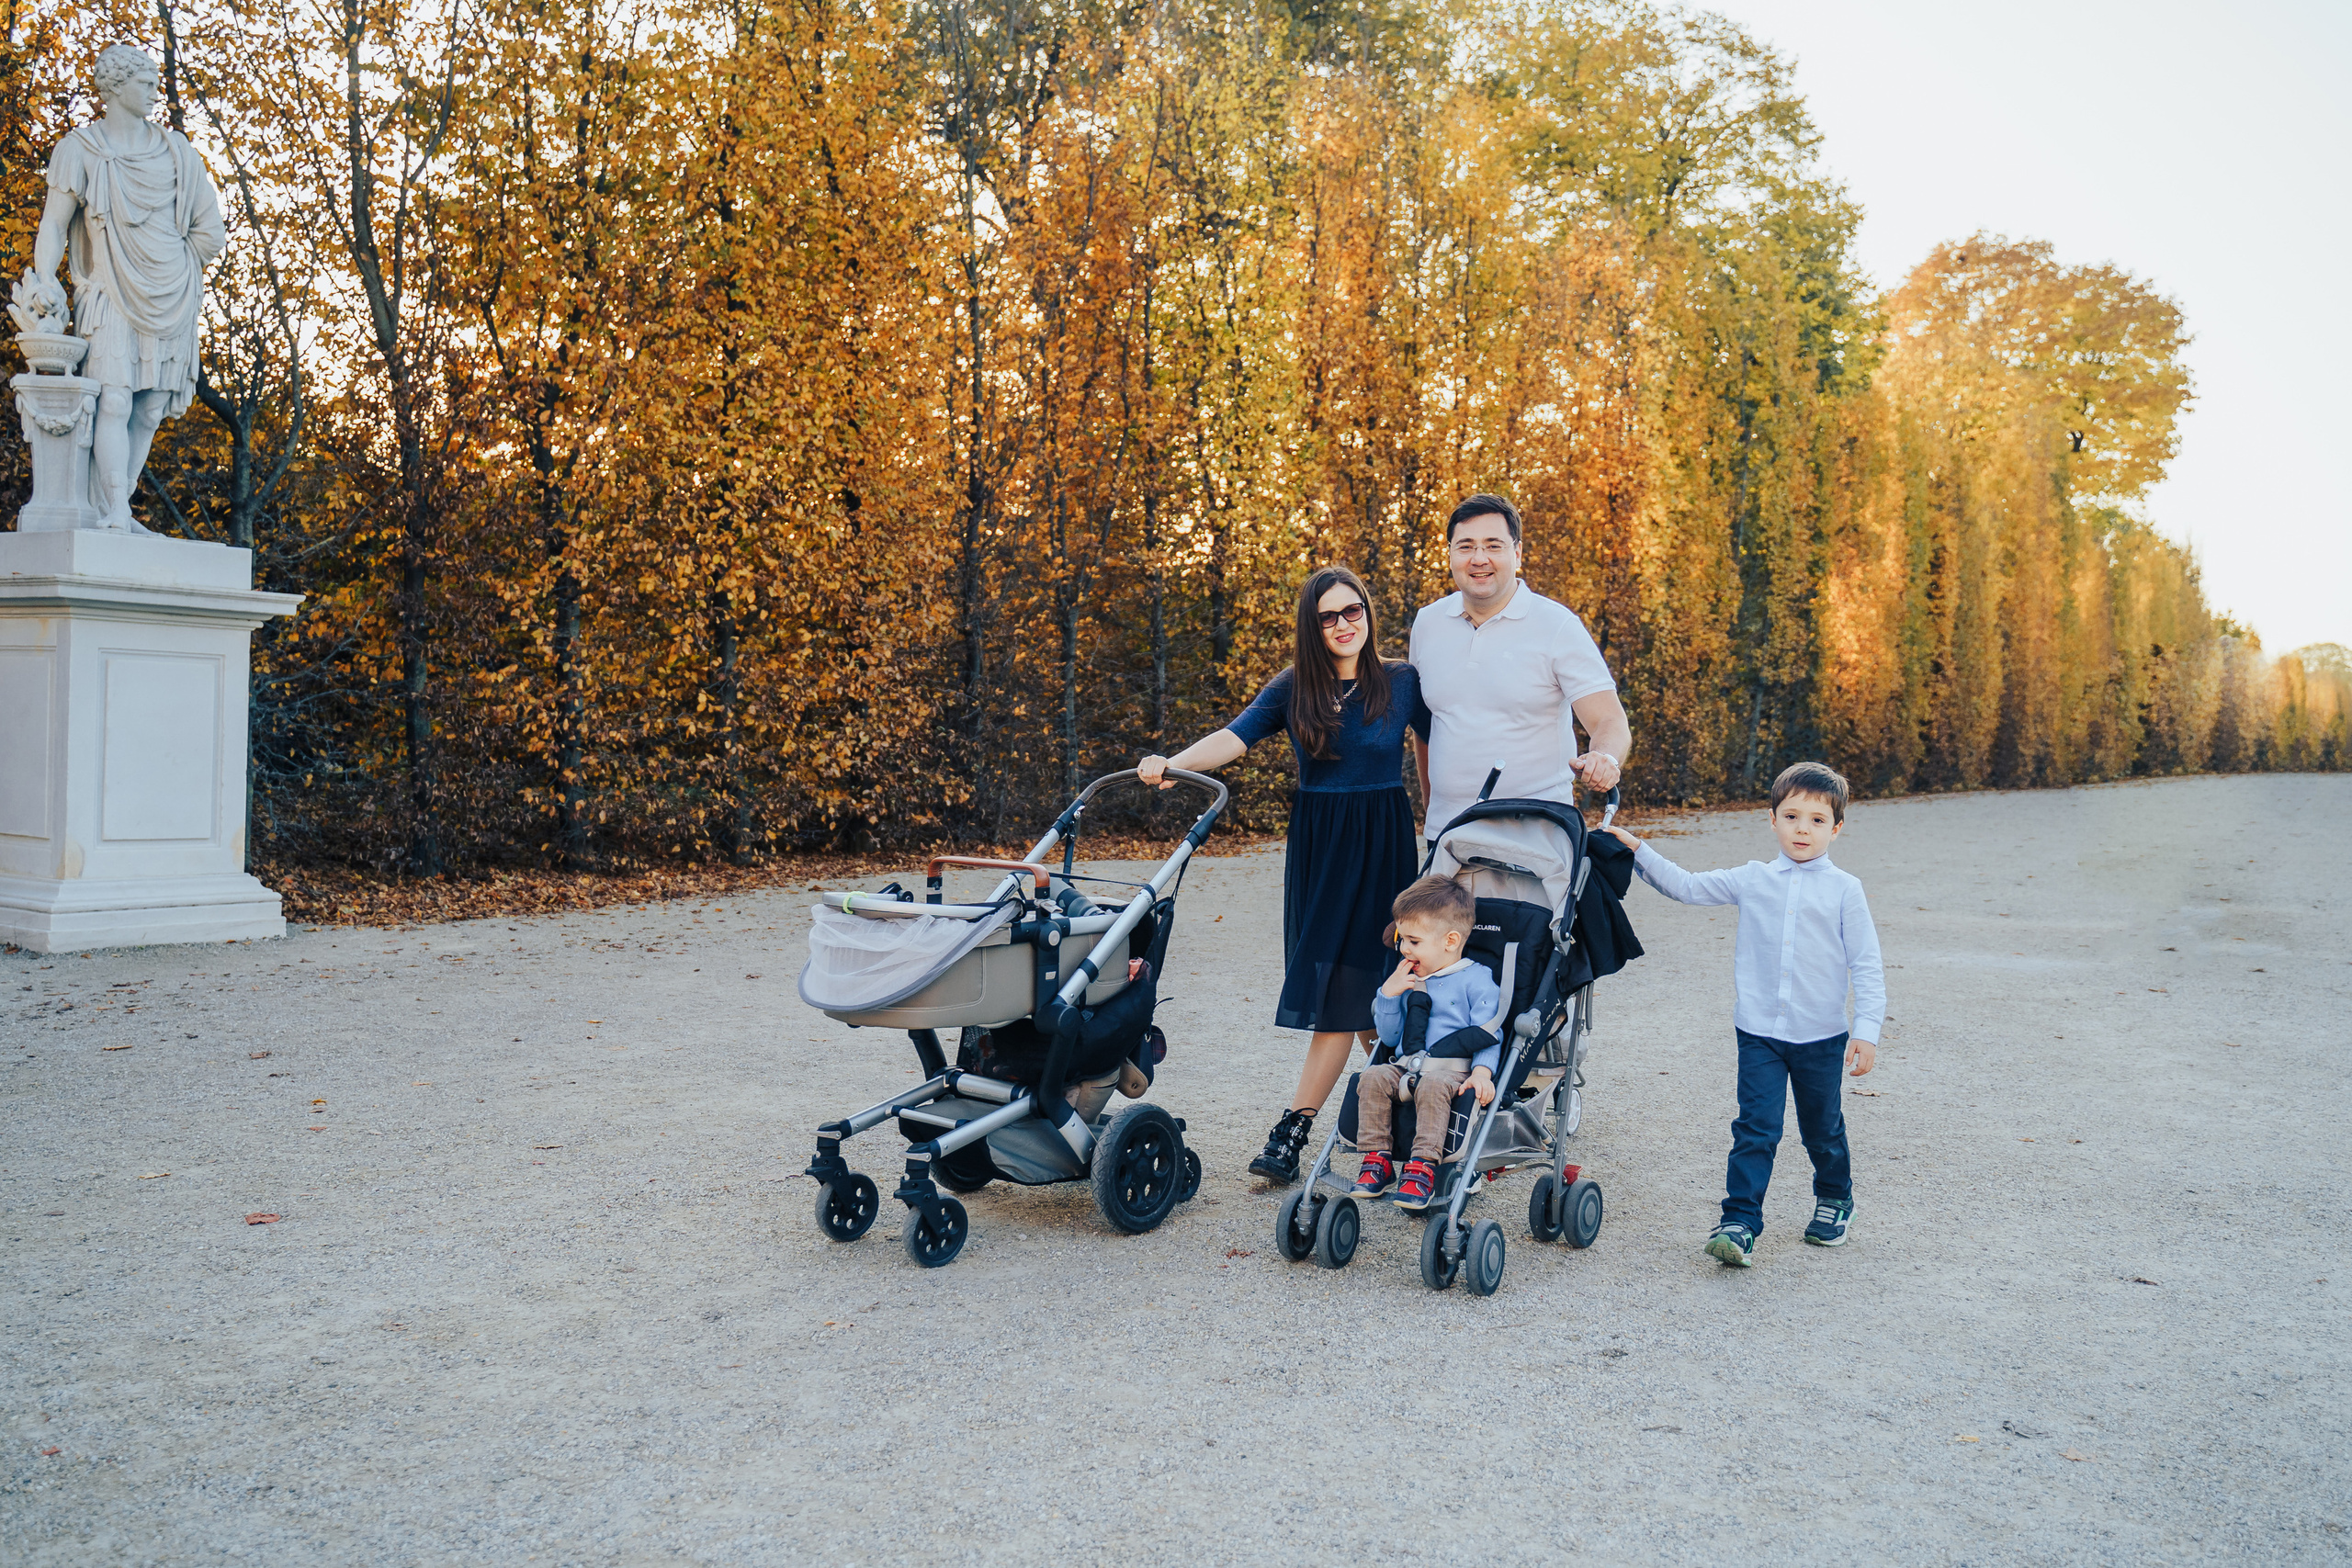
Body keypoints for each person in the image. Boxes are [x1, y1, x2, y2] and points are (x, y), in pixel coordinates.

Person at [1138, 566, 1427, 1183]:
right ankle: (1405, 1120)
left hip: (1384, 848)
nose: (1344, 624)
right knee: (1353, 999)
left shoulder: (1403, 681)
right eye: (1329, 616)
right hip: (1321, 853)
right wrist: (1172, 763)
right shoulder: (1295, 687)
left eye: (1354, 611)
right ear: (1312, 625)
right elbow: (1233, 737)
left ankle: (1301, 1127)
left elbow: (1438, 752)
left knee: (1366, 994)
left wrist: (1447, 824)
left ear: (1368, 614)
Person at [1603, 761, 1885, 1267]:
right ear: (1771, 819)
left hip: (1822, 1037)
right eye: (1792, 816)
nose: (1803, 829)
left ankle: (1835, 1198)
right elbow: (1686, 886)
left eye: (1818, 821)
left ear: (1836, 829)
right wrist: (1637, 849)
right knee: (1756, 1127)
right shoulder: (1752, 880)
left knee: (1822, 1128)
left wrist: (1866, 1031)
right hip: (1759, 1033)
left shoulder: (1846, 889)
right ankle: (1739, 1222)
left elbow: (1866, 965)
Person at [28, 44, 225, 531]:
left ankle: (113, 502)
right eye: (146, 83)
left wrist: (180, 266)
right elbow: (54, 224)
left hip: (173, 292)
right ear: (116, 87)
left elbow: (210, 230)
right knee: (113, 398)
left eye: (157, 82)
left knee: (151, 405)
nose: (156, 92)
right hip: (111, 288)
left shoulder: (178, 151)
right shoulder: (83, 148)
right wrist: (45, 277)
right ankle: (114, 509)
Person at [1410, 494, 1631, 837]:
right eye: (1465, 546)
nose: (1479, 558)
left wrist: (1606, 758)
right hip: (1447, 836)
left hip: (1535, 837)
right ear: (1450, 554)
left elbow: (1609, 719)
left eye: (1493, 545)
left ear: (1517, 553)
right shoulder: (1428, 623)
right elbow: (1425, 726)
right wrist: (1431, 811)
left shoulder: (1558, 626)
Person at [1351, 876, 1502, 1211]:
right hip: (1406, 1064)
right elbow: (1390, 1039)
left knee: (1433, 1086)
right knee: (1372, 1077)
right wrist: (1388, 996)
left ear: (1450, 941)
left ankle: (1422, 1165)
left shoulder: (1476, 979)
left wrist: (1482, 1073)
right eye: (1401, 938)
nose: (1404, 949)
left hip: (1451, 1071)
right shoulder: (1409, 979)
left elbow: (1488, 1031)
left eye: (1413, 941)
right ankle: (1377, 1159)